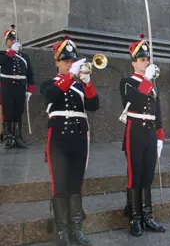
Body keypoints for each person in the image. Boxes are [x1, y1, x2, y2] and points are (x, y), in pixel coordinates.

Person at [40, 36, 99, 246]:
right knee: (60, 186)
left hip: (79, 140)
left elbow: (94, 105)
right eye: (64, 60)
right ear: (56, 62)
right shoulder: (49, 84)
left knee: (75, 185)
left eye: (71, 60)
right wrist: (71, 76)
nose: (68, 63)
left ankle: (76, 229)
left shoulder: (80, 86)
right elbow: (51, 96)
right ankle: (62, 232)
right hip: (58, 140)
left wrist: (87, 81)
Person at [119, 34, 166, 237]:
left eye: (147, 59)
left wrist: (160, 136)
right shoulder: (127, 81)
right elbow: (133, 102)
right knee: (135, 174)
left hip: (149, 133)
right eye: (142, 59)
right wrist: (146, 80)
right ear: (134, 63)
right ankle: (135, 217)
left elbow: (158, 111)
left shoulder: (153, 84)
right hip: (135, 130)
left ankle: (147, 215)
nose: (145, 62)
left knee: (147, 176)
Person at [0, 24, 34, 149]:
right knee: (8, 112)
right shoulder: (3, 54)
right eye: (11, 40)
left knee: (18, 112)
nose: (14, 41)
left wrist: (29, 90)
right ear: (6, 42)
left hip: (20, 88)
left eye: (15, 39)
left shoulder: (24, 57)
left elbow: (30, 73)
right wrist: (12, 51)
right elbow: (2, 63)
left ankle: (18, 137)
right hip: (7, 88)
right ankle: (9, 137)